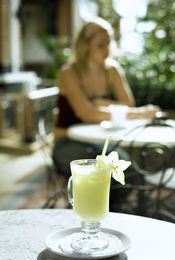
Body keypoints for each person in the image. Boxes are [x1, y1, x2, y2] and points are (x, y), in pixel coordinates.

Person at [53, 17, 161, 177]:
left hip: (99, 142)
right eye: (100, 44)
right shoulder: (69, 72)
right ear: (85, 46)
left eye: (109, 43)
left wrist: (100, 103)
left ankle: (110, 203)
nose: (107, 49)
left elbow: (128, 105)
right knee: (104, 173)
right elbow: (86, 114)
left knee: (132, 174)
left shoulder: (111, 70)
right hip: (68, 142)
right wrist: (139, 113)